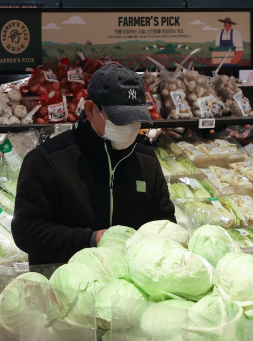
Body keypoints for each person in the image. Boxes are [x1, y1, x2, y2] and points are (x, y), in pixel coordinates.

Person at [12, 64, 176, 265]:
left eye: (136, 120)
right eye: (120, 119)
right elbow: (27, 231)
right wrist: (91, 240)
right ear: (90, 110)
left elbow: (165, 225)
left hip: (128, 287)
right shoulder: (48, 159)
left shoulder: (147, 161)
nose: (130, 128)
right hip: (63, 287)